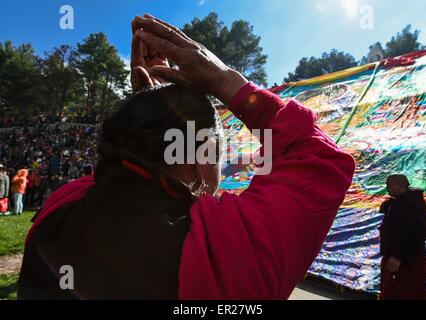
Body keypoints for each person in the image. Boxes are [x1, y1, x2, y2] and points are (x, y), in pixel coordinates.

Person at [18, 14, 355, 299]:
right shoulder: (223, 253)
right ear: (203, 156)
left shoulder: (57, 209)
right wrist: (226, 81)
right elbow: (320, 158)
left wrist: (150, 109)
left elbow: (118, 172)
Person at [379, 174, 426, 300]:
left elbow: (415, 233)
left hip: (407, 259)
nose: (387, 189)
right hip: (397, 257)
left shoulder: (412, 204)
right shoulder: (399, 202)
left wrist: (398, 256)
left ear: (398, 186)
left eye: (388, 185)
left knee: (409, 292)